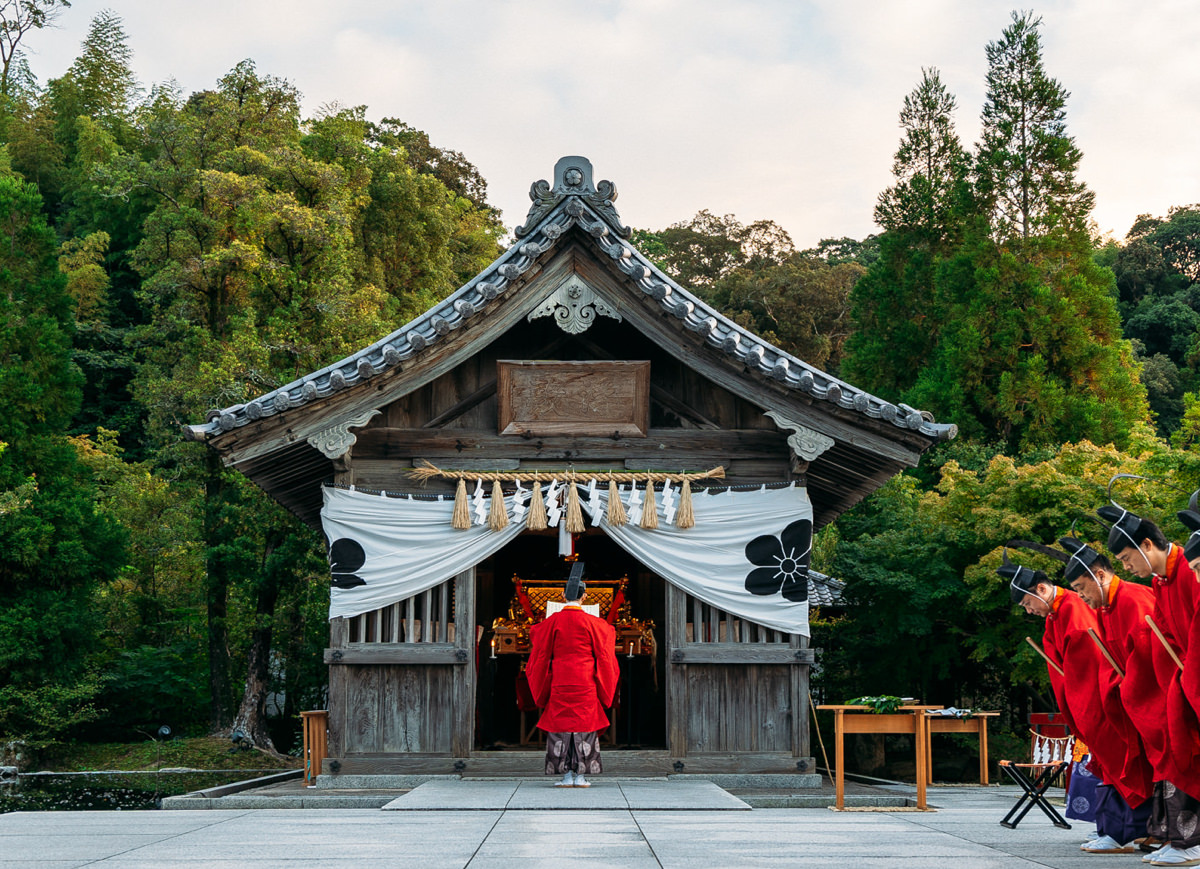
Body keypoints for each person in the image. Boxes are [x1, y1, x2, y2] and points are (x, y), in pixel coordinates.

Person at [1096, 502, 1200, 866]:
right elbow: (1161, 636)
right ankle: (1179, 838)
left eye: (1127, 559)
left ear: (1147, 546)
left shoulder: (1189, 570)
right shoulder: (1161, 580)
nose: (1126, 568)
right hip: (1180, 679)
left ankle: (1191, 841)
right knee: (1174, 750)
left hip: (1191, 677)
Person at [999, 555, 1109, 848]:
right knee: (1098, 763)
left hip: (1097, 700)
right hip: (1081, 700)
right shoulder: (1057, 612)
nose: (1028, 611)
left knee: (1109, 761)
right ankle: (1109, 825)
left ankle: (1117, 828)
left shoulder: (1073, 607)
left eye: (1027, 603)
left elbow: (1090, 661)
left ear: (1041, 590)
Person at [1059, 537, 1156, 854]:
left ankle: (1171, 835)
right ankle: (1137, 832)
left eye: (1082, 586)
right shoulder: (1106, 606)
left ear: (1100, 575)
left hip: (1146, 698)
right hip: (1123, 698)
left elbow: (1147, 656)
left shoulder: (1134, 599)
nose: (1081, 595)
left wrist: (1126, 688)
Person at [525, 562, 620, 788]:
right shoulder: (594, 623)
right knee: (585, 729)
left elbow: (538, 644)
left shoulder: (552, 622)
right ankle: (581, 776)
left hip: (560, 680)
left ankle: (566, 776)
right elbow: (606, 654)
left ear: (561, 595)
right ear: (584, 596)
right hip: (585, 681)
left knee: (561, 730)